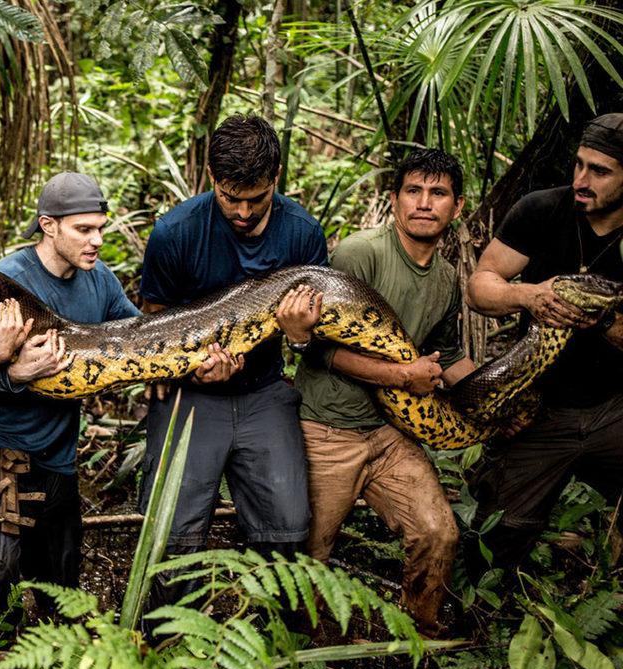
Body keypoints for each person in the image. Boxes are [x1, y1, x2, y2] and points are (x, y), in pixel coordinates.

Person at [137, 114, 326, 608]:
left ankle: (270, 631)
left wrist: (300, 337)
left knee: (286, 523)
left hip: (264, 389)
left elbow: (318, 337)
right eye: (230, 198)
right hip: (191, 394)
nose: (243, 212)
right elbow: (154, 319)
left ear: (277, 177)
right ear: (211, 177)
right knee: (173, 528)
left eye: (257, 199)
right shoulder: (175, 232)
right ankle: (166, 635)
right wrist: (187, 369)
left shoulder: (302, 233)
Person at [295, 149, 474, 634]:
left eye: (438, 193)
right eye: (413, 191)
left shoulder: (445, 277)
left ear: (457, 207)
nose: (424, 203)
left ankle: (421, 635)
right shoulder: (361, 254)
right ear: (394, 199)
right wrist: (401, 377)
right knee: (310, 556)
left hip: (389, 434)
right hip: (328, 430)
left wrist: (495, 399)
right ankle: (306, 650)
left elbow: (446, 355)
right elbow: (318, 350)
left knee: (438, 532)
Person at [0, 172, 140, 628]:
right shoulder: (4, 281)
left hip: (58, 452)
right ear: (48, 225)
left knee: (62, 577)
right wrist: (15, 374)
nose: (97, 241)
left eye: (101, 228)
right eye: (84, 230)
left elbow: (139, 338)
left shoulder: (101, 281)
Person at [466, 113, 623, 572]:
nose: (581, 180)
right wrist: (528, 295)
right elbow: (480, 285)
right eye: (579, 164)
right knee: (494, 543)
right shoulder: (541, 209)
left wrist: (598, 318)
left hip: (615, 407)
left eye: (599, 171)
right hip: (541, 409)